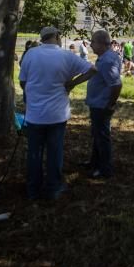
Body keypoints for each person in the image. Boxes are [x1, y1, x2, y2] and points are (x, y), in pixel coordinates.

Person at [19, 26, 95, 199]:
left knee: (34, 153)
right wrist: (72, 83)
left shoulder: (31, 54)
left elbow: (23, 82)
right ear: (57, 37)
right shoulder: (66, 55)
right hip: (57, 114)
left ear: (43, 38)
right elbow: (92, 70)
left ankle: (33, 190)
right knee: (55, 152)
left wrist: (35, 92)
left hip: (35, 114)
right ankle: (53, 188)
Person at [71, 30, 122, 179]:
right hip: (98, 103)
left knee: (102, 136)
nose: (91, 45)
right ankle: (94, 162)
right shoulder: (106, 57)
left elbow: (116, 85)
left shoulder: (107, 60)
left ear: (101, 43)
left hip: (102, 105)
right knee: (97, 134)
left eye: (93, 42)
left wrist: (110, 104)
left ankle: (105, 169)